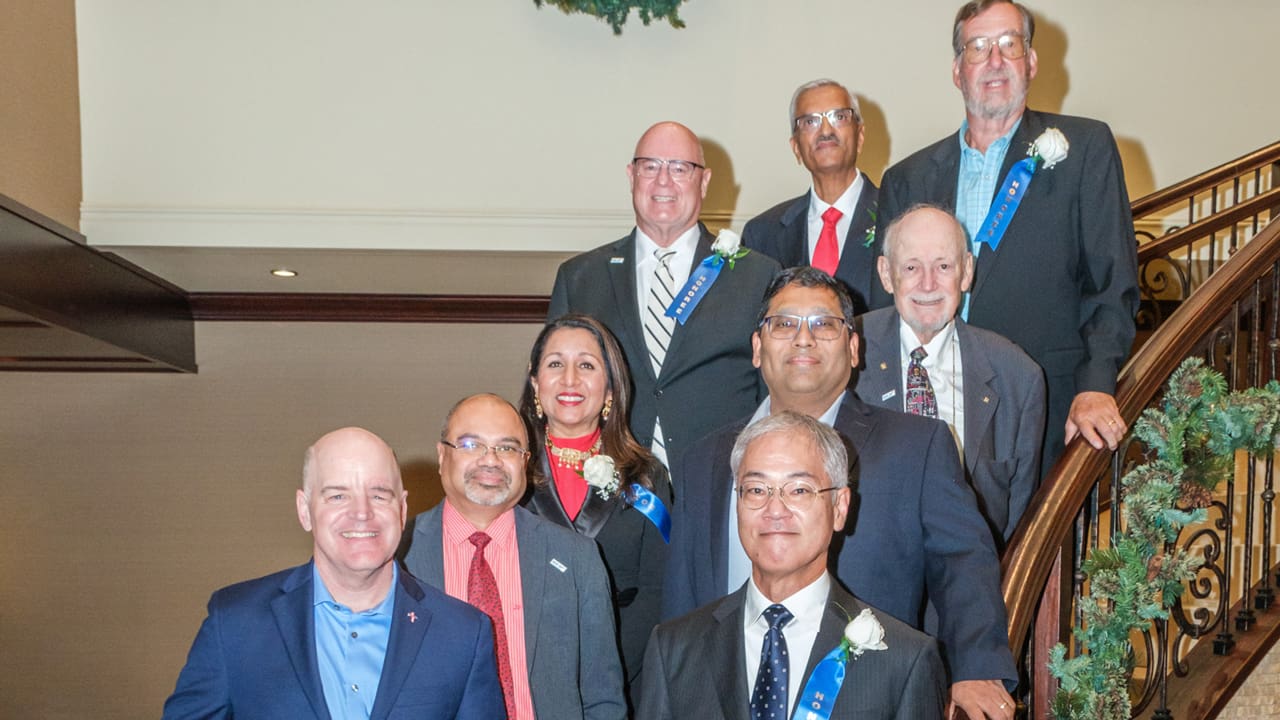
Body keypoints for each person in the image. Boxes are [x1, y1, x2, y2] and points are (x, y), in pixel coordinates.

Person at [665, 267, 1017, 720]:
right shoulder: (703, 460)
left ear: (854, 349)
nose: (803, 339)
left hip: (867, 697)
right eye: (784, 324)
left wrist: (976, 667)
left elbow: (963, 563)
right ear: (757, 347)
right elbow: (682, 600)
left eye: (824, 324)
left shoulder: (917, 446)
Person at [873, 0, 1139, 476]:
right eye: (978, 47)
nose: (994, 61)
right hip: (924, 409)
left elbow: (1111, 282)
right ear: (957, 70)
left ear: (1031, 61)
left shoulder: (1085, 149)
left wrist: (1096, 385)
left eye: (1008, 44)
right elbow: (886, 303)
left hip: (1043, 408)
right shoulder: (906, 178)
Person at [163, 427, 504, 720]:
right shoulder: (235, 622)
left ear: (401, 510)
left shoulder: (463, 634)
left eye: (378, 494)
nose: (361, 513)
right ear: (304, 510)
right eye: (338, 495)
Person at [638, 411, 945, 719]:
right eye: (757, 490)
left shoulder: (905, 660)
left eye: (799, 490)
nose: (774, 510)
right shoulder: (674, 649)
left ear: (839, 508)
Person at [547, 121, 779, 472]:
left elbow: (773, 394)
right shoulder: (580, 278)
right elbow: (552, 394)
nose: (663, 181)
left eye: (680, 168)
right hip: (611, 492)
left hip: (723, 483)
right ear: (631, 176)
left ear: (704, 181)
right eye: (650, 167)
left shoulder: (757, 276)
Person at [404, 393, 625, 720]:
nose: (490, 460)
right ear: (441, 456)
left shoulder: (577, 558)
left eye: (507, 448)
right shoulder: (398, 554)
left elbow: (603, 698)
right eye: (470, 445)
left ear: (525, 461)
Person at [859, 204, 1045, 546]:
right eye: (912, 267)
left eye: (943, 266)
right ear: (886, 274)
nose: (928, 284)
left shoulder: (1017, 376)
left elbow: (1019, 521)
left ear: (966, 272)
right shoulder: (845, 353)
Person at [518, 313, 672, 694]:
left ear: (610, 389)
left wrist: (606, 670)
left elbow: (658, 588)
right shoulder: (511, 470)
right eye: (555, 364)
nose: (570, 379)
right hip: (525, 670)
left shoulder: (647, 475)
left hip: (623, 674)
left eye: (586, 365)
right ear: (536, 383)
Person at [743, 79, 880, 314]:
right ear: (796, 147)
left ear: (861, 135)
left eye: (839, 117)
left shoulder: (897, 216)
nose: (826, 131)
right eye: (810, 122)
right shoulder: (762, 234)